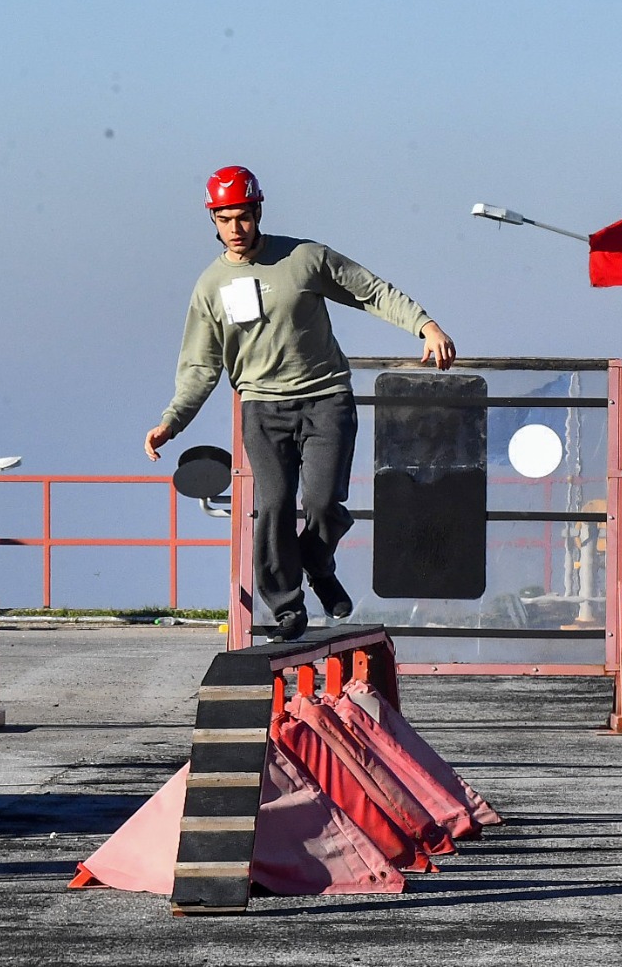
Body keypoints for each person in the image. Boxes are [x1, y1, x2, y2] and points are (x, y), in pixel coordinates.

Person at [144, 166, 456, 641]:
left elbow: (369, 289)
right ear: (213, 220)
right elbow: (200, 365)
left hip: (325, 398)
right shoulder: (210, 287)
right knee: (273, 504)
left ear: (258, 212)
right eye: (225, 219)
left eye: (243, 218)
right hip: (263, 409)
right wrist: (172, 421)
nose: (235, 229)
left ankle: (316, 560)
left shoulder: (303, 258)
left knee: (323, 501)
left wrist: (425, 325)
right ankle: (287, 604)